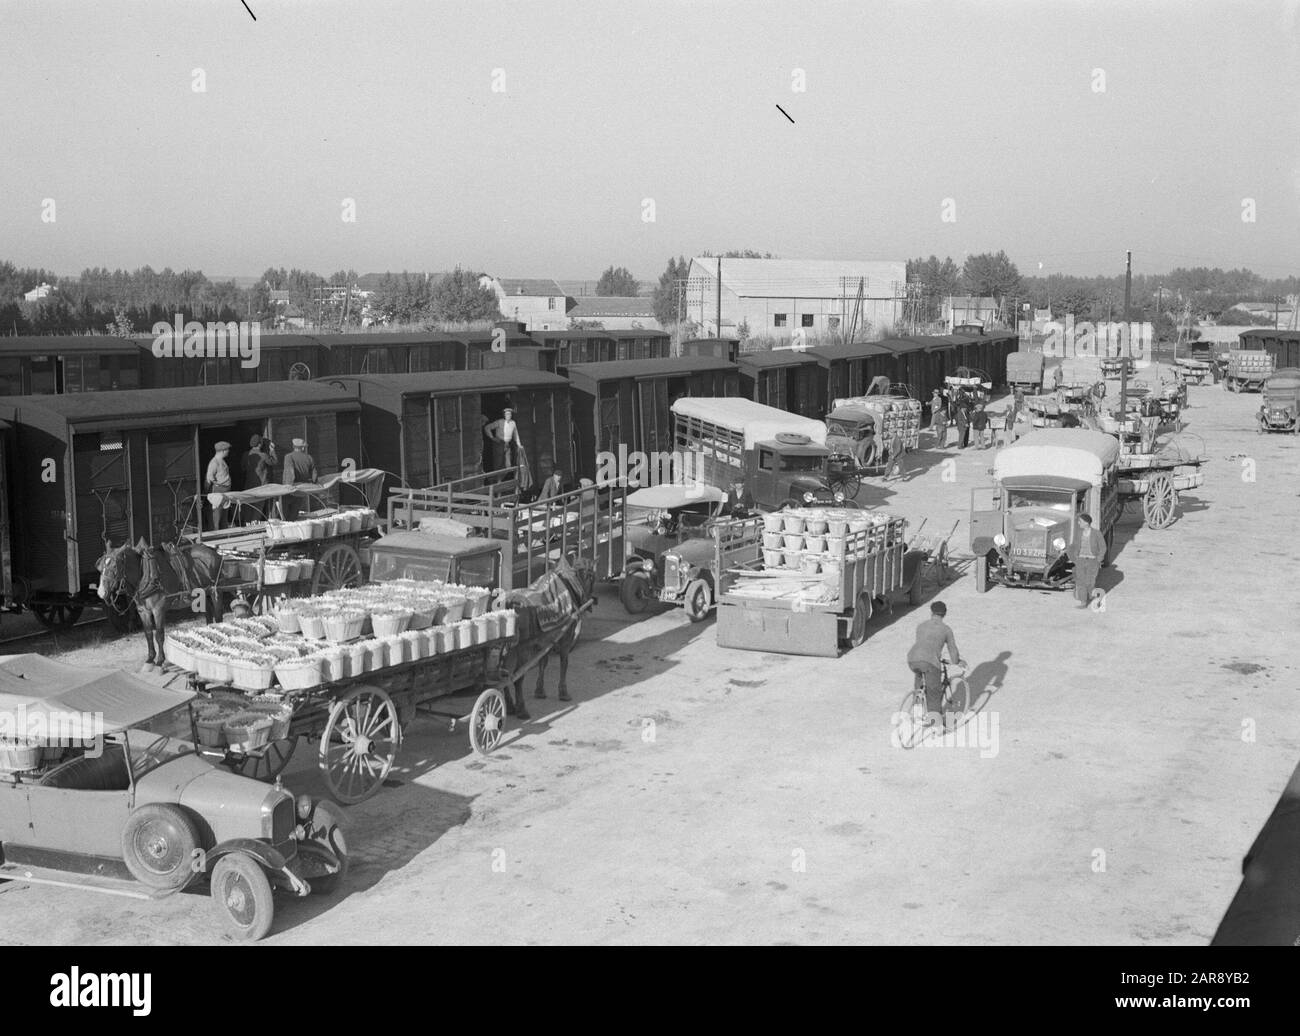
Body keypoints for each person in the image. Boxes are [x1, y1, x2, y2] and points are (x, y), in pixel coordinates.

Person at [906, 601, 965, 725]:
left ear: (931, 612)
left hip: (912, 659)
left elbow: (924, 645)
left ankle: (917, 711)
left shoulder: (921, 626)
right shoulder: (946, 629)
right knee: (934, 692)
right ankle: (935, 725)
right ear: (944, 614)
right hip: (930, 662)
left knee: (920, 680)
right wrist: (957, 662)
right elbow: (952, 650)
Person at [1067, 512, 1105, 609]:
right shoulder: (1079, 533)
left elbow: (1103, 547)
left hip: (1093, 561)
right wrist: (1074, 558)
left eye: (1080, 521)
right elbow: (1074, 546)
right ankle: (1083, 602)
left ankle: (1093, 596)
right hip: (1081, 560)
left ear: (1086, 523)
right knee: (1081, 582)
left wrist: (1099, 559)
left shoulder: (1097, 533)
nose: (1078, 523)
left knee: (1090, 581)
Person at [282, 438, 318, 519]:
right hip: (302, 490)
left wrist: (288, 487)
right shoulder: (309, 458)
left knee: (285, 515)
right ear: (302, 448)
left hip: (289, 490)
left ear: (293, 446)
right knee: (294, 514)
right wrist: (313, 484)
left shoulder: (288, 457)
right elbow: (314, 474)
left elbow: (290, 473)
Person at [205, 441, 232, 529]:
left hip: (225, 491)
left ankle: (224, 534)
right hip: (218, 490)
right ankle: (215, 535)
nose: (228, 451)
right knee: (216, 515)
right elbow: (209, 479)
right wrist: (208, 493)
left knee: (224, 515)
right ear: (223, 451)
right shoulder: (214, 462)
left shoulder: (221, 461)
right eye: (227, 450)